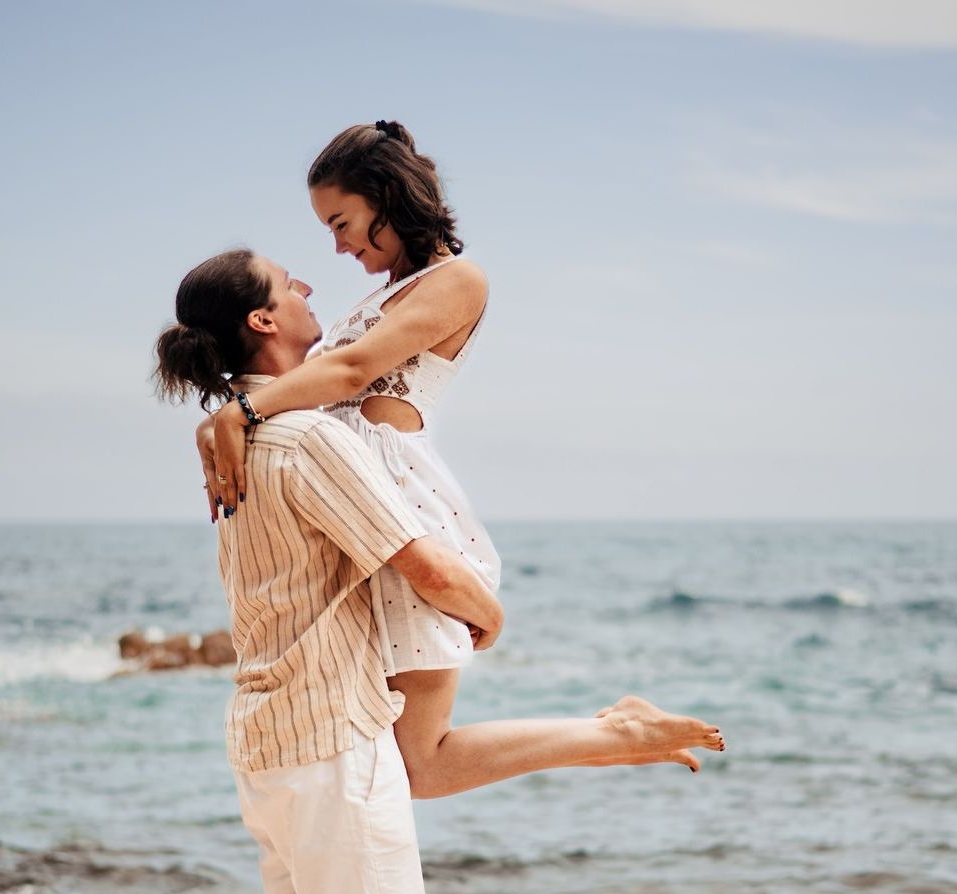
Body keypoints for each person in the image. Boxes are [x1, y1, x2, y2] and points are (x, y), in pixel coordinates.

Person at [154, 248, 724, 894]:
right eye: (288, 282)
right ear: (262, 322)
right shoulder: (307, 439)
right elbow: (421, 564)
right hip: (332, 733)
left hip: (264, 734)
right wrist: (488, 614)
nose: (308, 287)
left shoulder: (238, 443)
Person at [196, 121, 723, 797]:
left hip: (400, 500)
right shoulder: (383, 293)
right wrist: (229, 416)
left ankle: (622, 733)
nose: (338, 246)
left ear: (387, 197)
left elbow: (352, 369)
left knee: (422, 761)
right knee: (402, 754)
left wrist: (238, 412)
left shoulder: (458, 281)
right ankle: (620, 736)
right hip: (358, 506)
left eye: (342, 223)